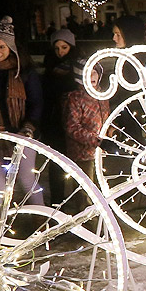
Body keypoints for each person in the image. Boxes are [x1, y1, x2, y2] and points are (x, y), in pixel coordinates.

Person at [0, 16, 44, 215]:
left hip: (23, 134)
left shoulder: (25, 73)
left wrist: (28, 127)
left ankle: (41, 222)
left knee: (28, 180)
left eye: (2, 47)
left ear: (10, 48)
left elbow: (36, 103)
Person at [40, 28, 83, 203]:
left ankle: (79, 202)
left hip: (75, 121)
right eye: (57, 48)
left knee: (77, 165)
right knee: (56, 165)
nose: (60, 52)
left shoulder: (78, 68)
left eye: (64, 47)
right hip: (55, 122)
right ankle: (58, 202)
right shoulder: (50, 69)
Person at [62, 58, 109, 212]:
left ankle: (100, 215)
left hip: (99, 152)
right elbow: (72, 127)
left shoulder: (103, 96)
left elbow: (106, 119)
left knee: (100, 186)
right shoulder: (75, 98)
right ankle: (86, 221)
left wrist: (110, 132)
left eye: (94, 72)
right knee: (85, 190)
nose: (92, 76)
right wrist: (95, 140)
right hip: (81, 153)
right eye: (87, 73)